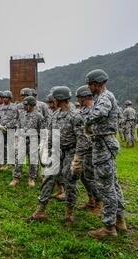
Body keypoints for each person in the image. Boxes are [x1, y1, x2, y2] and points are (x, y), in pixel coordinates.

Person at [30, 86, 84, 226]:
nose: (52, 100)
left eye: (54, 98)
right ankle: (40, 210)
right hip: (56, 150)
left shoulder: (75, 116)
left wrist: (78, 158)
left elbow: (81, 139)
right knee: (48, 178)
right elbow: (50, 133)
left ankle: (69, 213)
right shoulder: (55, 114)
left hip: (71, 151)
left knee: (69, 180)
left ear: (59, 98)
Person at [84, 69, 127, 239]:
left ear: (98, 83)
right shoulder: (107, 96)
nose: (89, 87)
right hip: (106, 143)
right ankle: (120, 220)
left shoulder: (104, 97)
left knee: (105, 186)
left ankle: (109, 227)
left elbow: (100, 113)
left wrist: (87, 121)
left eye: (90, 84)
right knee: (113, 183)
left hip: (103, 144)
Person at [75, 85, 102, 216]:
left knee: (90, 177)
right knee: (84, 176)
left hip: (92, 149)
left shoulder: (93, 111)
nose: (78, 100)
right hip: (82, 148)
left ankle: (98, 203)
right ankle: (91, 199)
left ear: (84, 97)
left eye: (79, 97)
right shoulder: (84, 110)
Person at [10, 96, 45, 188]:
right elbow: (18, 125)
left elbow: (42, 130)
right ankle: (16, 178)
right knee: (18, 159)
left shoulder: (39, 116)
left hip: (33, 141)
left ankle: (31, 178)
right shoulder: (21, 114)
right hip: (21, 140)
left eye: (26, 105)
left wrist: (40, 143)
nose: (24, 106)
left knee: (33, 160)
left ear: (31, 105)